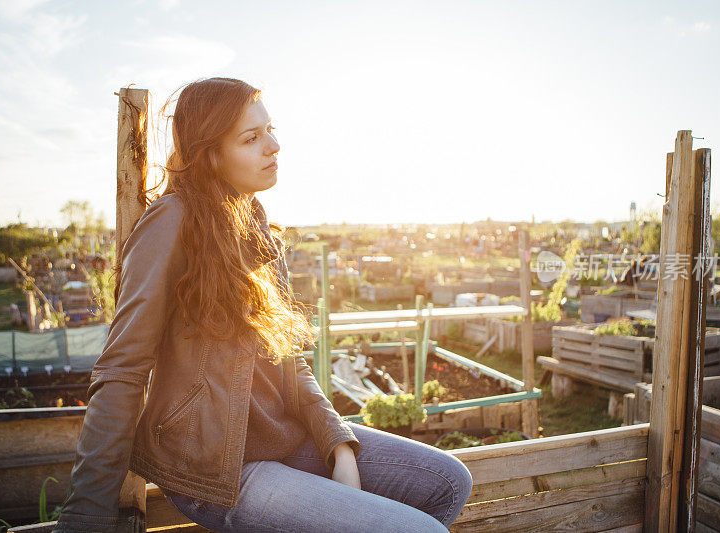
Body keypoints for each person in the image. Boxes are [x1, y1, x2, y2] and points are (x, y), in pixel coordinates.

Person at [53, 77, 473, 533]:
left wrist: (338, 444)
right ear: (210, 154)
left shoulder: (254, 225)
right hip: (215, 470)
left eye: (270, 129)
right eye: (251, 139)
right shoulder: (171, 224)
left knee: (447, 481)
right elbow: (122, 370)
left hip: (284, 442)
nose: (273, 146)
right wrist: (86, 515)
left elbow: (291, 360)